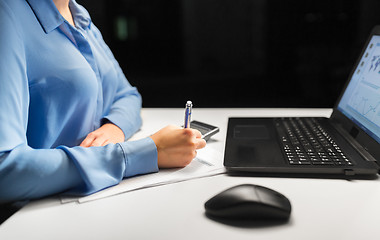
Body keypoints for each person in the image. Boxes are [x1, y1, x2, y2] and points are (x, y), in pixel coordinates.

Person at [0, 0, 206, 203]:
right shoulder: (7, 16)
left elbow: (127, 95)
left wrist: (113, 129)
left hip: (93, 198)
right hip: (36, 213)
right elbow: (5, 169)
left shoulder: (77, 14)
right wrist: (148, 151)